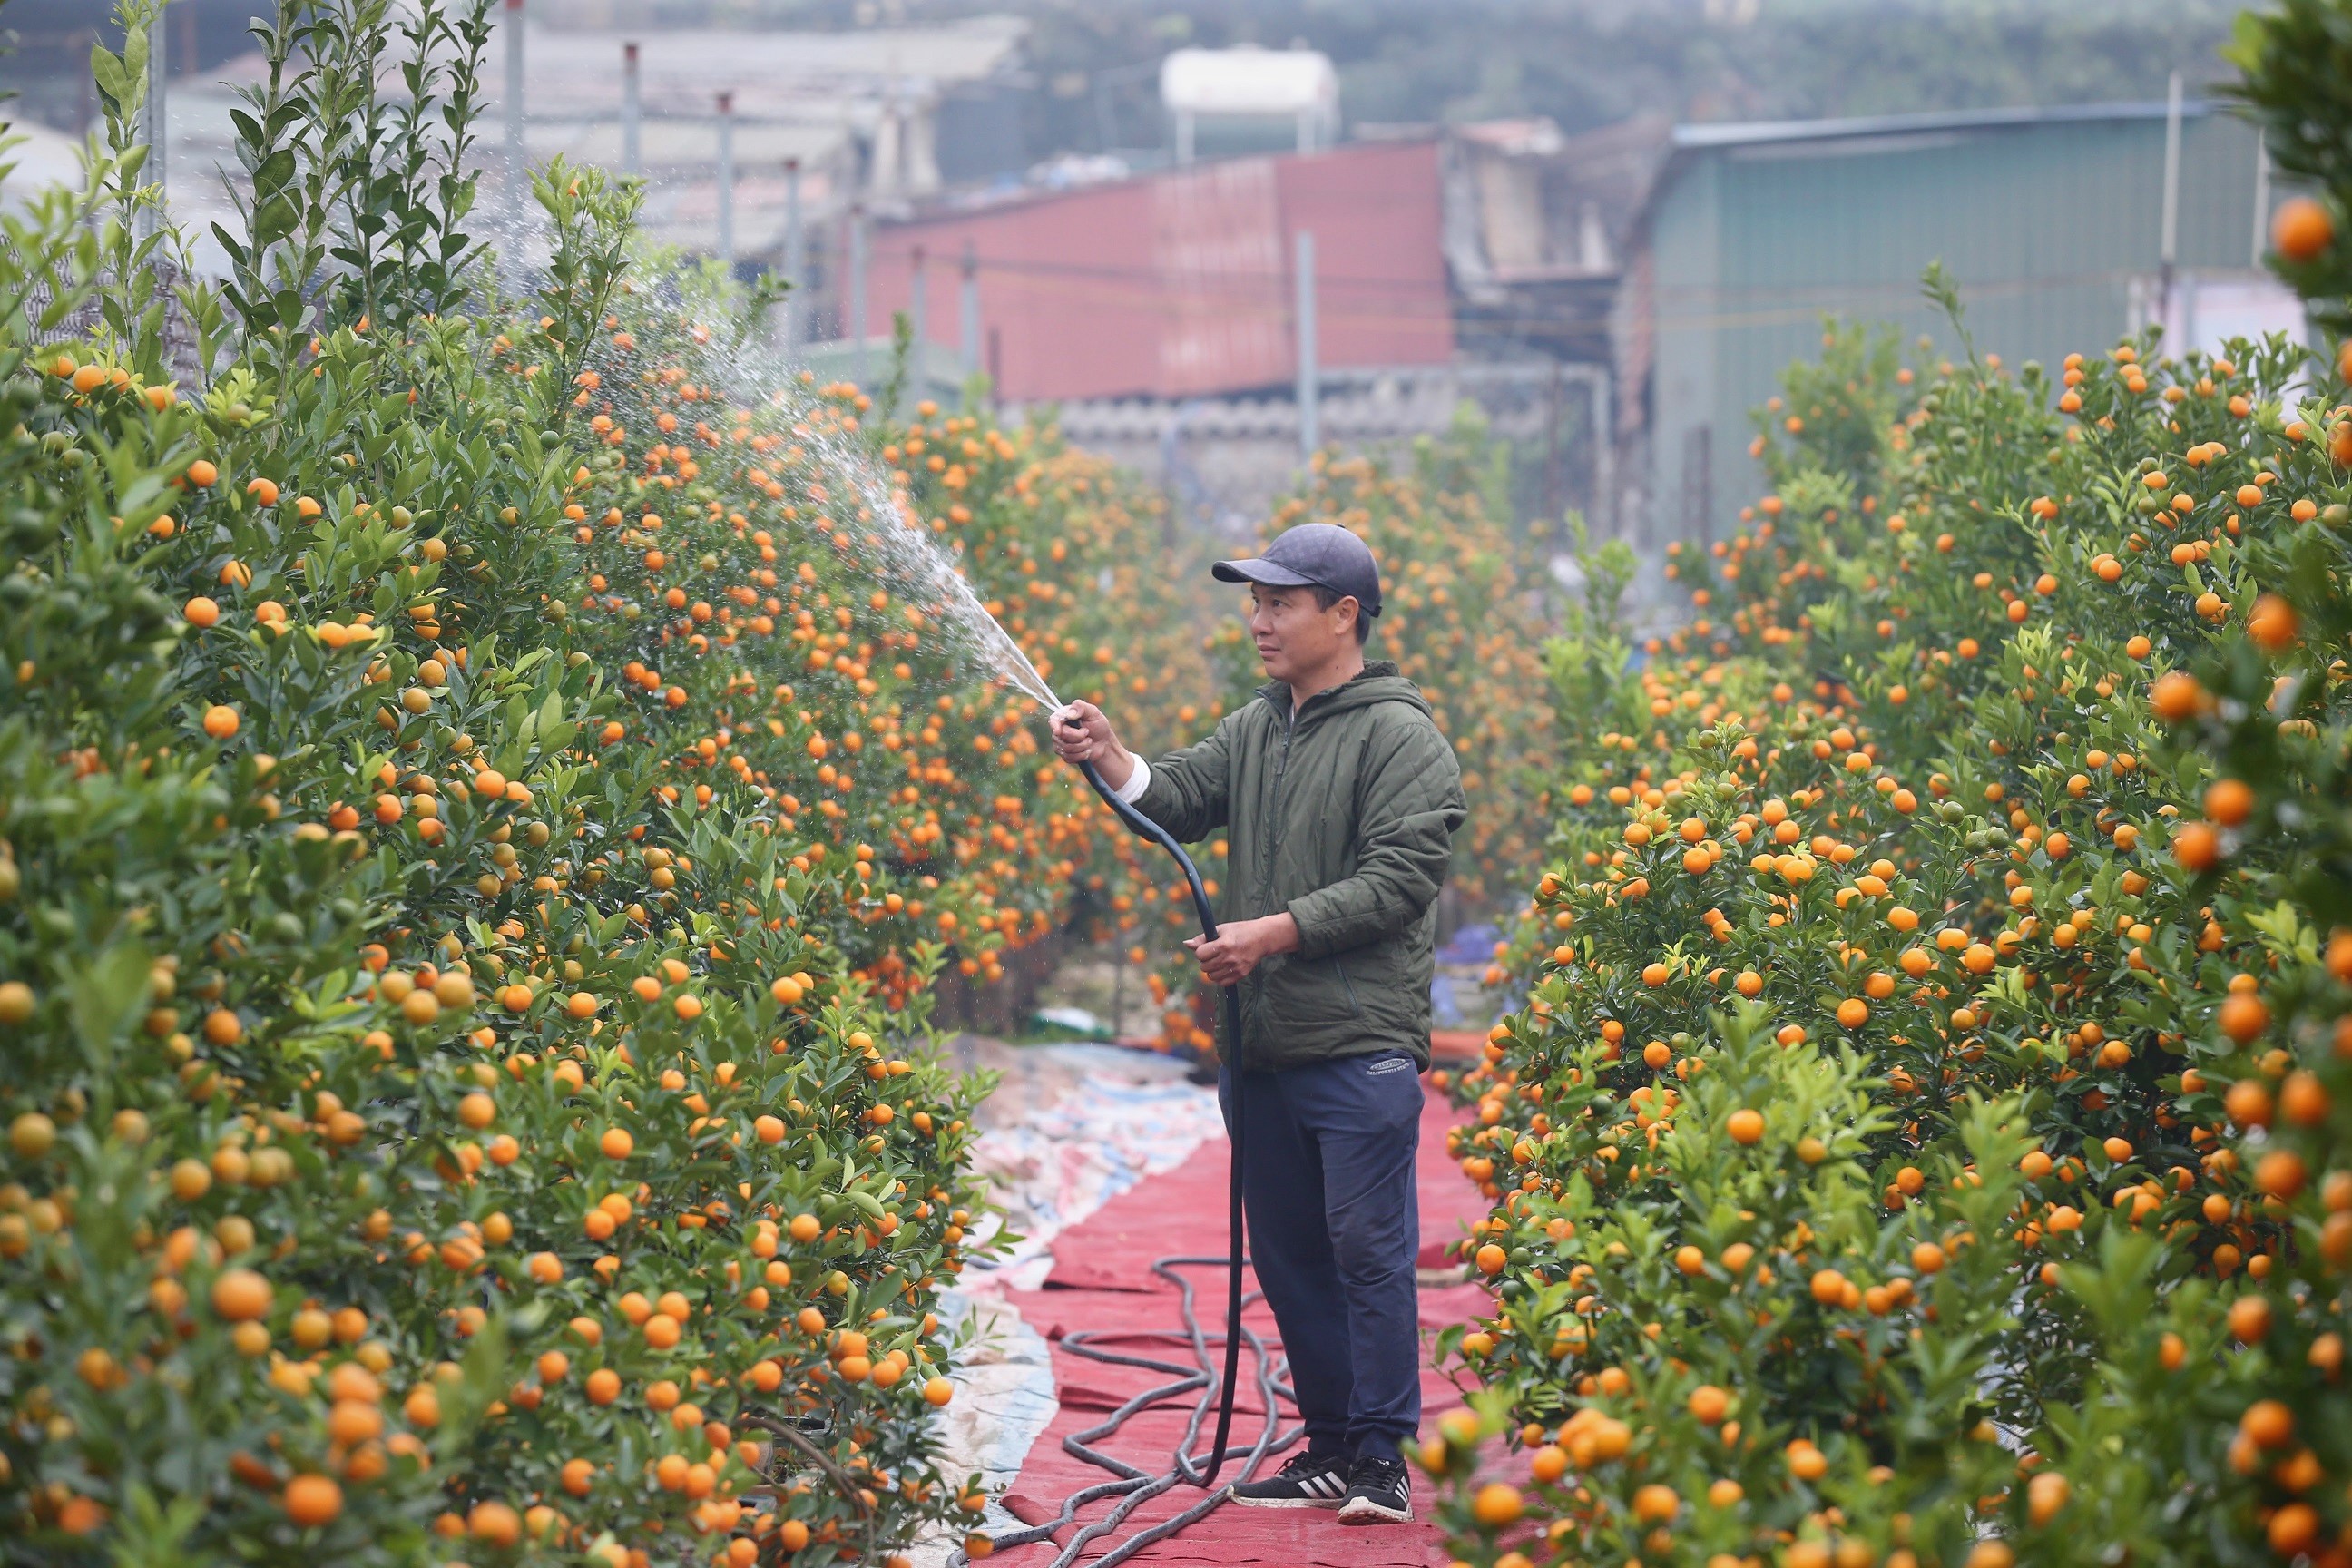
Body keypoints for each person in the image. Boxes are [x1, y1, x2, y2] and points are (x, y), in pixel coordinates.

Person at [1052, 522, 1466, 1526]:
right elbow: (1181, 800)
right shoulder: (1258, 726)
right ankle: (1328, 1446)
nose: (1259, 620)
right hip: (1265, 1047)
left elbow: (1400, 882)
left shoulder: (1401, 737)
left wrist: (1271, 936)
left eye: (1280, 603)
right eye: (1256, 601)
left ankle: (1380, 1458)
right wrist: (1110, 756)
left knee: (1369, 1251)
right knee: (1289, 1255)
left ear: (1343, 616)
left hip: (1359, 1048)